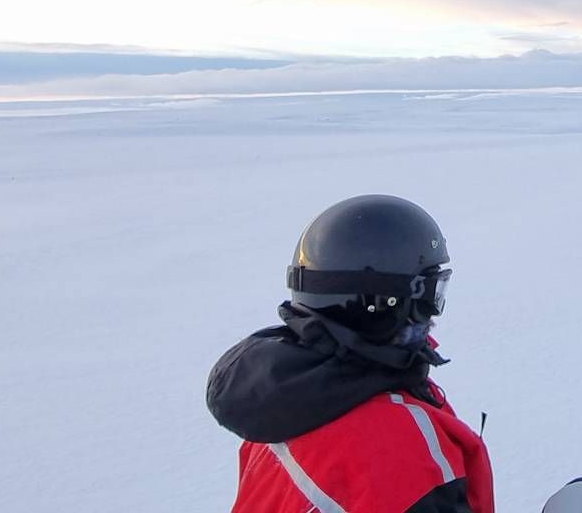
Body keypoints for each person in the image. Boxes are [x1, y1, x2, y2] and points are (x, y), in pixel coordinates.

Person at [207, 194, 493, 513]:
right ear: (385, 302)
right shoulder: (400, 450)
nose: (432, 314)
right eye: (429, 295)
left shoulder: (286, 399)